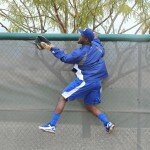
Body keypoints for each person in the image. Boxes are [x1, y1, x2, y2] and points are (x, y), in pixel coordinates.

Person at [38, 28, 115, 134]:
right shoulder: (98, 46)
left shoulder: (81, 53)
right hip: (97, 82)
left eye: (81, 35)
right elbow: (96, 37)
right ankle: (107, 123)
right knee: (89, 105)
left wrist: (51, 48)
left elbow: (65, 58)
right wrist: (94, 34)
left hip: (85, 80)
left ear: (86, 39)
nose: (79, 37)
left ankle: (51, 125)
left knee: (63, 97)